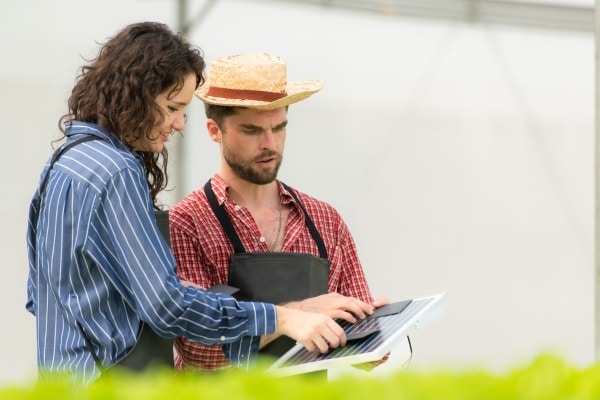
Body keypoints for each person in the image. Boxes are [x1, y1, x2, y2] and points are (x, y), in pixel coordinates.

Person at [25, 24, 352, 385]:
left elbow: (38, 295)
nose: (179, 124)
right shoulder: (122, 174)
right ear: (134, 96)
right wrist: (283, 317)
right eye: (171, 107)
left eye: (279, 127)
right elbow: (166, 306)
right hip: (108, 386)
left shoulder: (63, 163)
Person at [169, 53, 387, 372]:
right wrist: (297, 314)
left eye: (279, 127)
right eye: (252, 131)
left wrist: (368, 324)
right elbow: (199, 350)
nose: (269, 144)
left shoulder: (325, 220)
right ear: (214, 130)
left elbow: (371, 359)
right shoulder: (188, 222)